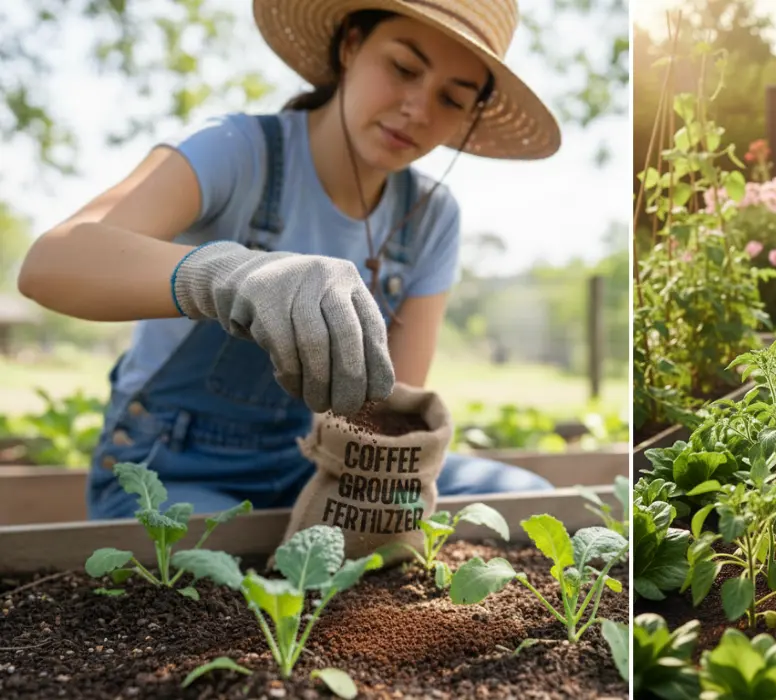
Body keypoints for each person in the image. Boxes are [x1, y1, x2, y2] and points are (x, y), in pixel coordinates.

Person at [17, 0, 561, 519]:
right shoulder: (235, 150)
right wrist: (232, 274)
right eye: (402, 67)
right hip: (170, 469)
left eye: (452, 99)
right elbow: (51, 264)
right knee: (232, 591)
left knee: (530, 501)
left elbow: (381, 409)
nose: (418, 109)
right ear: (350, 46)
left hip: (316, 463)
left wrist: (381, 486)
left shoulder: (430, 217)